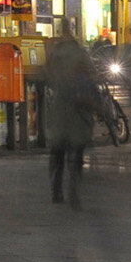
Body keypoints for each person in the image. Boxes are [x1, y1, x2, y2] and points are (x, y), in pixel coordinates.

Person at [43, 36, 97, 208]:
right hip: (77, 111)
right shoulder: (81, 55)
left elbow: (47, 78)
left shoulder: (54, 56)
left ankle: (56, 191)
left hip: (59, 109)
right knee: (76, 154)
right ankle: (73, 190)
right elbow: (92, 78)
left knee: (57, 154)